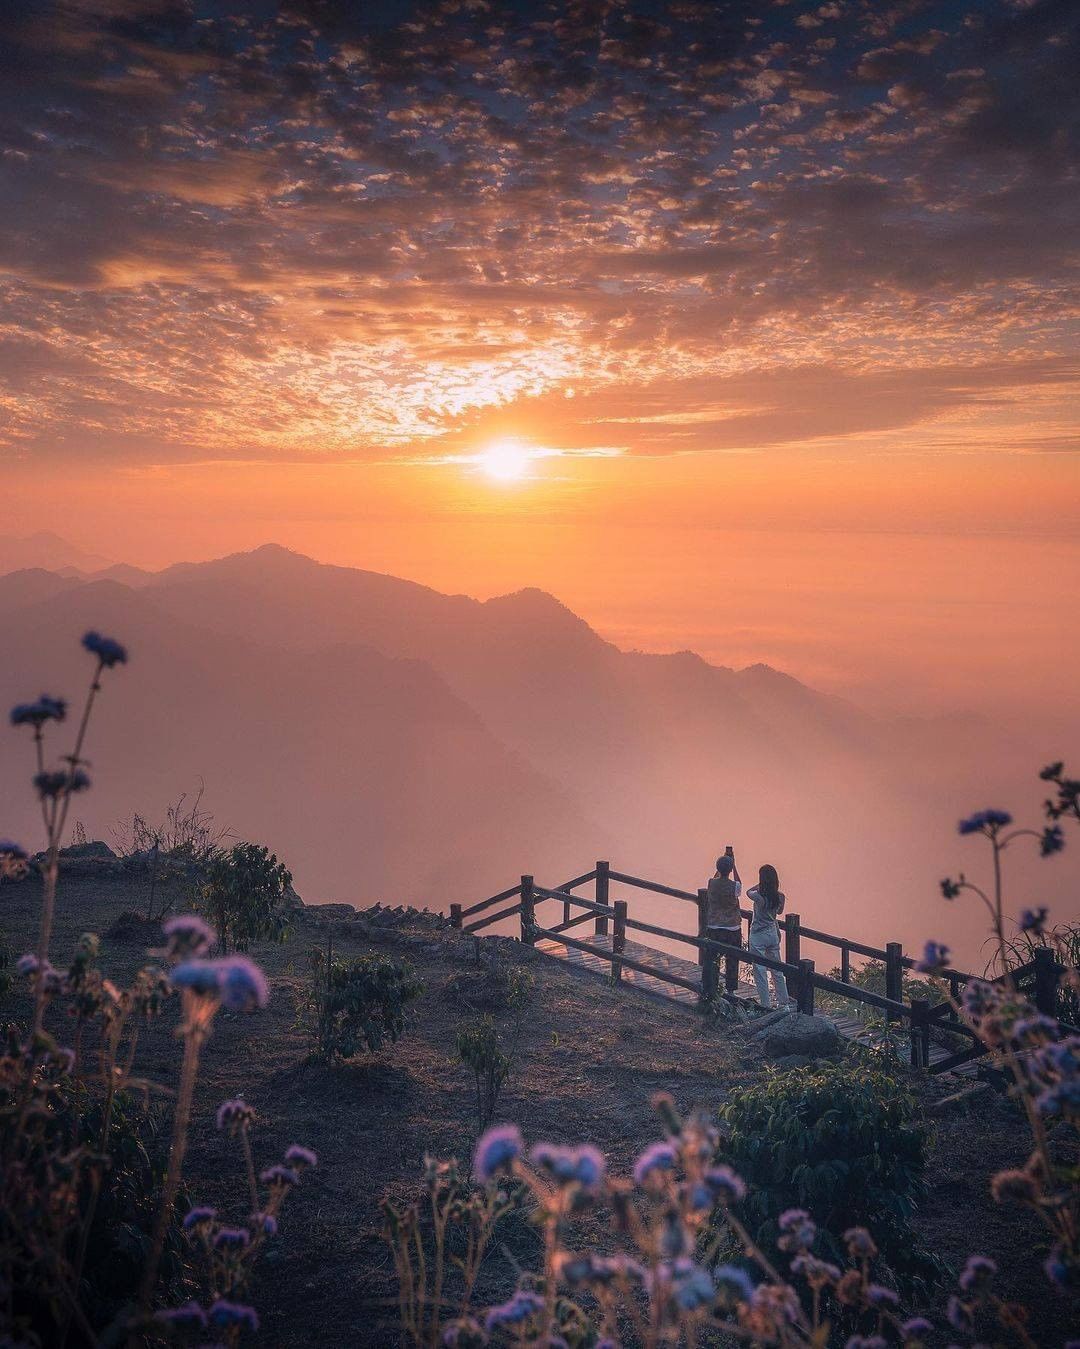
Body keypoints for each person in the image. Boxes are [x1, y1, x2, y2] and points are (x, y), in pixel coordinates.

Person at [747, 863, 792, 1010]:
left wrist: (759, 885)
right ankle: (783, 1001)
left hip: (758, 935)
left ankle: (766, 1004)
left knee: (759, 970)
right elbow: (779, 913)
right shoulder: (780, 897)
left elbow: (748, 891)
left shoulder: (758, 896)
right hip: (772, 933)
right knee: (777, 968)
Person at [705, 849, 742, 995]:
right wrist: (734, 865)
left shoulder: (711, 883)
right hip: (732, 927)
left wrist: (724, 865)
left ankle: (711, 985)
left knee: (713, 957)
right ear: (730, 869)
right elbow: (739, 882)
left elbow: (715, 878)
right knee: (732, 958)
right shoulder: (735, 887)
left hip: (714, 926)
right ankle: (730, 990)